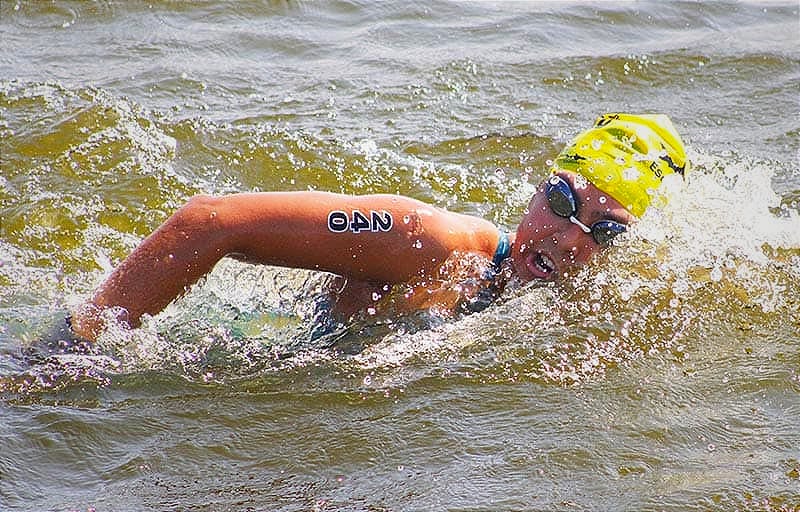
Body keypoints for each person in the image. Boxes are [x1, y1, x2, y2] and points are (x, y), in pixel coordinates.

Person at [69, 113, 688, 342]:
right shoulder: (427, 240)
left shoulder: (580, 302)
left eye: (604, 231)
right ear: (536, 188)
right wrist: (73, 347)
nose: (568, 237)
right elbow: (209, 220)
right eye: (561, 201)